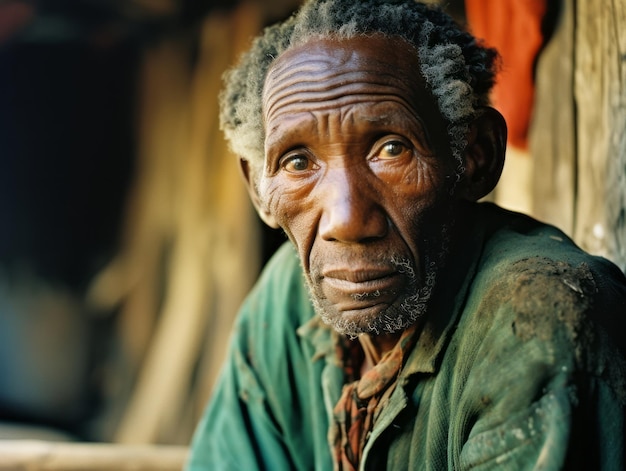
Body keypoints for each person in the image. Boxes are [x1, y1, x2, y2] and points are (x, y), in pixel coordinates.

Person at [187, 0, 626, 469]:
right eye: (298, 162)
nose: (347, 221)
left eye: (391, 149)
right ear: (259, 189)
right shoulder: (286, 301)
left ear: (475, 156)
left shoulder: (537, 322)